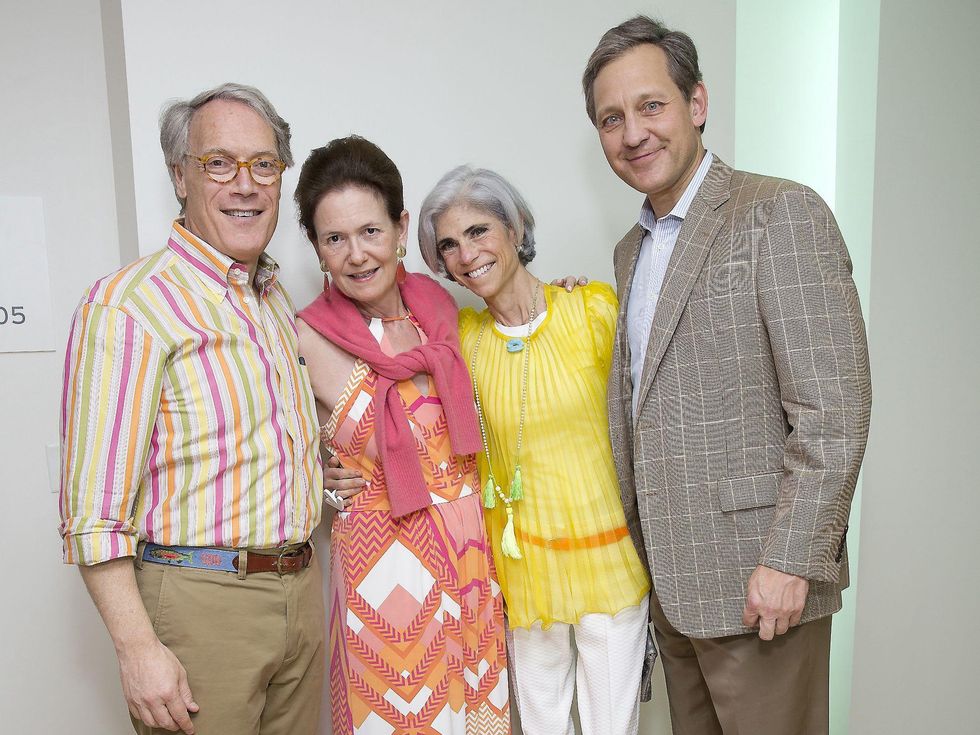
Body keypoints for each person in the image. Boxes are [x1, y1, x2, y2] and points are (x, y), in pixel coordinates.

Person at [581, 16, 873, 734]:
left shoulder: (779, 212)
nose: (633, 133)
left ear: (697, 104)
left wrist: (792, 560)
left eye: (651, 106)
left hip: (761, 583)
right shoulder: (630, 252)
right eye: (611, 119)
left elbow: (833, 408)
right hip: (674, 589)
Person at [58, 83, 325, 735]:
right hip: (202, 604)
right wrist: (136, 649)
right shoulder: (128, 306)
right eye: (219, 163)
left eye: (264, 163)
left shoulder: (272, 296)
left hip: (301, 589)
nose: (246, 184)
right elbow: (93, 513)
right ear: (180, 175)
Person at [416, 166, 652, 735]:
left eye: (478, 231)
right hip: (522, 569)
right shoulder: (462, 341)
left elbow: (654, 415)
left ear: (516, 225)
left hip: (609, 562)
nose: (465, 254)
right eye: (448, 245)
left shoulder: (592, 309)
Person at [293, 137, 510, 735]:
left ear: (400, 226)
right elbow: (273, 452)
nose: (357, 254)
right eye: (334, 239)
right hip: (386, 583)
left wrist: (560, 293)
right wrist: (322, 471)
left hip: (470, 565)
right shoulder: (305, 338)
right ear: (316, 248)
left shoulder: (442, 310)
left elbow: (516, 358)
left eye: (370, 231)